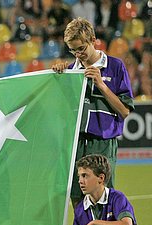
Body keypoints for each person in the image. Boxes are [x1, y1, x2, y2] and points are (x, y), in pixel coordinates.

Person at [52, 18, 134, 208]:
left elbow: (124, 111)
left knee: (102, 199)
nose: (78, 54)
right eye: (72, 50)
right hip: (77, 142)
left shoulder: (115, 66)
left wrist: (102, 85)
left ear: (93, 40)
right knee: (77, 196)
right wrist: (58, 77)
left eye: (81, 48)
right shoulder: (71, 72)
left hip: (103, 143)